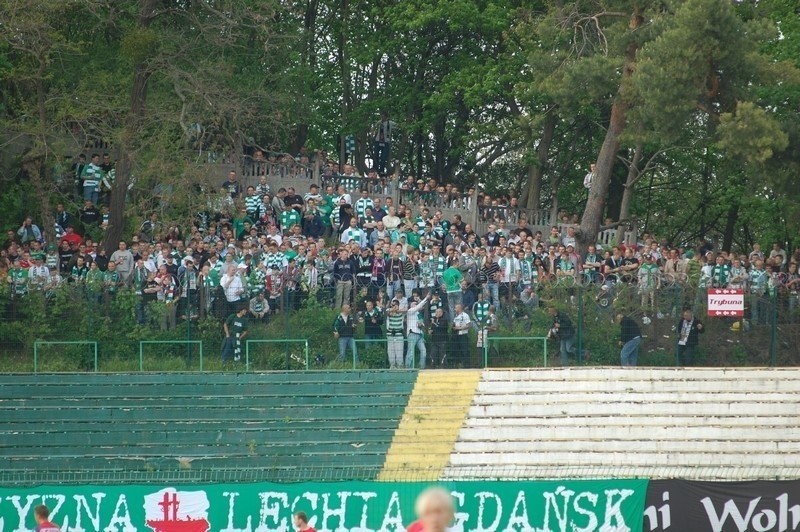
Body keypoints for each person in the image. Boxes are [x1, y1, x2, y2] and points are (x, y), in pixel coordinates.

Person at [405, 291, 430, 368]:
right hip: (412, 333)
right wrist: (426, 298)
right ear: (410, 306)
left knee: (424, 351)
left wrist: (421, 324)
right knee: (411, 352)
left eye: (416, 304)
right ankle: (408, 367)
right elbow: (419, 306)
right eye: (413, 304)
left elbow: (422, 323)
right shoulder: (410, 311)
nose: (415, 305)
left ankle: (421, 367)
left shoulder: (419, 314)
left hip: (419, 334)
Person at [385, 299, 405, 368]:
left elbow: (406, 309)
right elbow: (386, 312)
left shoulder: (400, 312)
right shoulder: (388, 311)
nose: (393, 306)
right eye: (392, 305)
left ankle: (400, 365)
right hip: (390, 334)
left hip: (399, 334)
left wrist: (397, 310)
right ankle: (392, 365)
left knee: (399, 351)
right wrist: (393, 309)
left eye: (395, 305)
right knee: (390, 351)